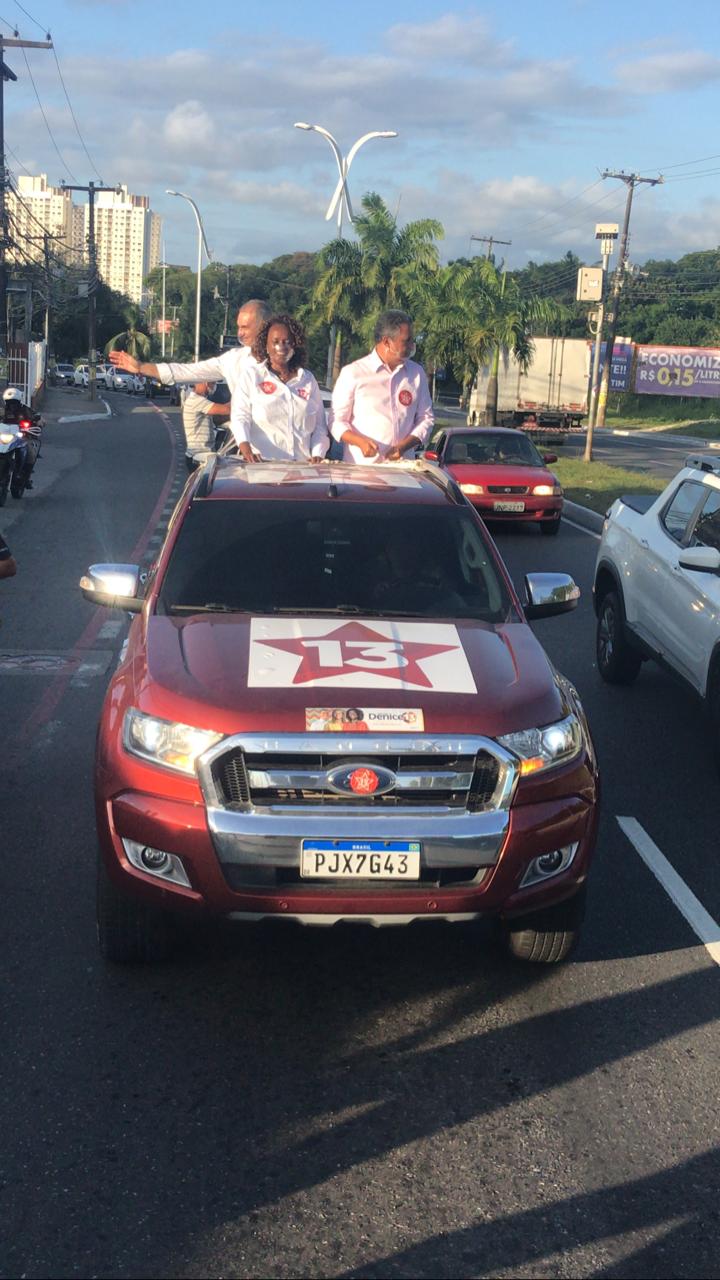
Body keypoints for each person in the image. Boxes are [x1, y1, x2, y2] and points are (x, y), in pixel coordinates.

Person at [108, 298, 272, 412]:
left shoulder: (292, 360)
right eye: (238, 327)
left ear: (264, 326)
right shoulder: (234, 359)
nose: (240, 334)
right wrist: (142, 367)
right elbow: (186, 371)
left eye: (245, 327)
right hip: (251, 454)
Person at [330, 310, 434, 464]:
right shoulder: (353, 373)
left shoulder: (416, 373)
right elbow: (336, 421)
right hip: (362, 471)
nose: (412, 346)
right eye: (407, 341)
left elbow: (426, 419)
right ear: (386, 342)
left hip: (403, 471)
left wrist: (403, 447)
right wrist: (360, 442)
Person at [231, 314, 329, 463]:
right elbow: (240, 418)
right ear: (266, 346)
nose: (281, 347)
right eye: (275, 342)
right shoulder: (252, 377)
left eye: (286, 342)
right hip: (263, 469)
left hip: (302, 472)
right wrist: (246, 450)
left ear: (295, 346)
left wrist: (318, 454)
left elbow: (320, 428)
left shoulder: (308, 380)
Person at [182, 381, 230, 454]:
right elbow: (227, 409)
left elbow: (217, 419)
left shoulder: (199, 400)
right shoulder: (196, 400)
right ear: (204, 383)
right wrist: (242, 399)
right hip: (199, 454)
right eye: (212, 383)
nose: (214, 386)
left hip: (202, 452)